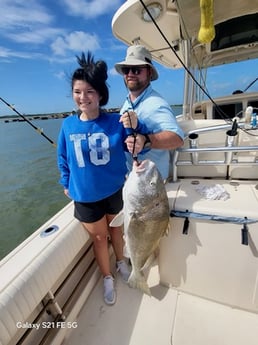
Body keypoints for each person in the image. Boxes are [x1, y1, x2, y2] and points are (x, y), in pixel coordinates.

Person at [57, 52, 147, 305]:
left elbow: (136, 145)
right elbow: (62, 157)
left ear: (100, 94)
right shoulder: (67, 125)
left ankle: (121, 262)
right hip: (84, 195)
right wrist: (66, 183)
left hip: (115, 190)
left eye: (89, 92)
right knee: (99, 238)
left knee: (117, 230)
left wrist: (135, 127)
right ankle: (107, 276)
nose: (82, 98)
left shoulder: (115, 122)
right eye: (77, 92)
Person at [115, 44, 185, 180]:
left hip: (153, 184)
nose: (130, 74)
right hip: (133, 180)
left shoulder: (156, 104)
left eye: (136, 70)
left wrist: (146, 141)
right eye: (126, 69)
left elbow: (177, 138)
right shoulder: (127, 102)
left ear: (149, 72)